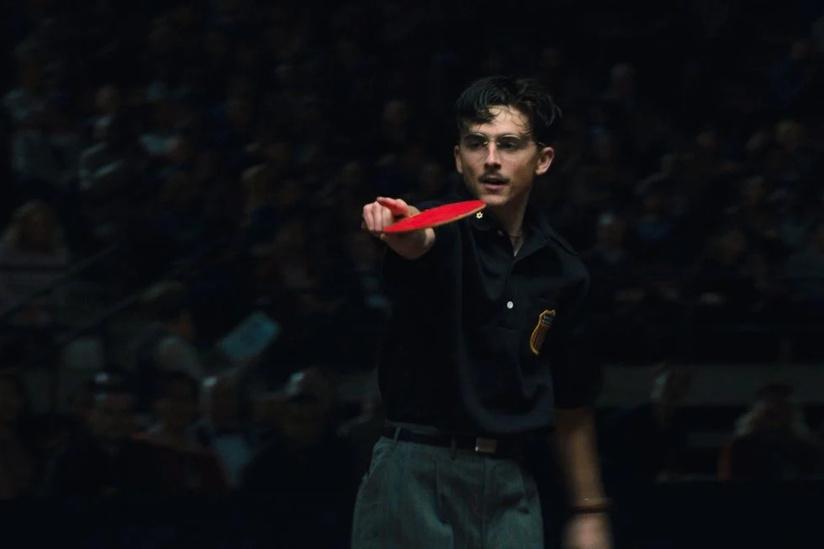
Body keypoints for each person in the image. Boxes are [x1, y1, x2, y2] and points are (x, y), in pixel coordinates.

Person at [357, 76, 611, 548]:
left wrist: (589, 510)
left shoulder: (564, 271)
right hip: (415, 470)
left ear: (542, 160)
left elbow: (572, 401)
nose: (491, 159)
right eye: (477, 144)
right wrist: (402, 231)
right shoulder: (438, 230)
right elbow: (417, 242)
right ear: (459, 158)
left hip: (510, 482)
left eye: (509, 144)